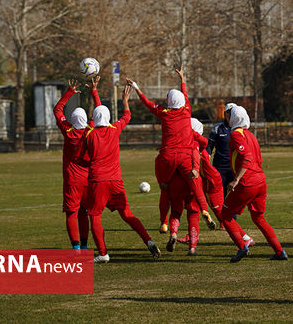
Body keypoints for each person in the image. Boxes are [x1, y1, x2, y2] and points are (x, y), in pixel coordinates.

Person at [126, 66, 216, 235]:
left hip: (167, 157)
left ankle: (164, 223)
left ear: (169, 101)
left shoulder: (164, 113)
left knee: (165, 189)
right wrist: (182, 78)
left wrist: (137, 87)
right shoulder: (186, 110)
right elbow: (185, 93)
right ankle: (204, 209)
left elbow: (147, 103)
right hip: (184, 156)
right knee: (195, 184)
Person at [84, 84, 161, 263]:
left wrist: (94, 92)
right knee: (127, 214)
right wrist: (125, 101)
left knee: (94, 216)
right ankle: (148, 241)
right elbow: (127, 115)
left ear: (94, 119)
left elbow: (95, 120)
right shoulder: (114, 129)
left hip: (98, 181)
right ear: (109, 118)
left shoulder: (89, 134)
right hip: (116, 181)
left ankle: (103, 253)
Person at [221, 106, 286, 263]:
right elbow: (257, 158)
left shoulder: (236, 135)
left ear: (235, 118)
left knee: (225, 215)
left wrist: (236, 180)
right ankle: (279, 251)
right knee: (258, 218)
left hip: (247, 182)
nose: (227, 117)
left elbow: (247, 158)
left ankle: (242, 247)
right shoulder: (250, 134)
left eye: (229, 115)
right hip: (260, 180)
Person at [177, 118, 253, 247]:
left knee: (222, 216)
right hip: (204, 182)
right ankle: (192, 236)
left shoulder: (196, 145)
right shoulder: (195, 144)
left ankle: (246, 238)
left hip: (212, 184)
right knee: (193, 209)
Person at [53, 77, 101, 249]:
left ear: (72, 120)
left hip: (72, 180)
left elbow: (57, 110)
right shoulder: (91, 131)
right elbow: (99, 112)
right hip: (88, 180)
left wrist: (69, 92)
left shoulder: (68, 131)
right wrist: (94, 91)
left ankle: (75, 248)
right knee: (84, 213)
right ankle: (85, 245)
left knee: (71, 214)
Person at [207, 103, 237, 196]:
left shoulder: (239, 129)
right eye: (228, 113)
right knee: (220, 195)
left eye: (232, 113)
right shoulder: (217, 128)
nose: (230, 115)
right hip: (220, 168)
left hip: (235, 168)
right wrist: (207, 164)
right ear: (225, 114)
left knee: (235, 195)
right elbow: (209, 147)